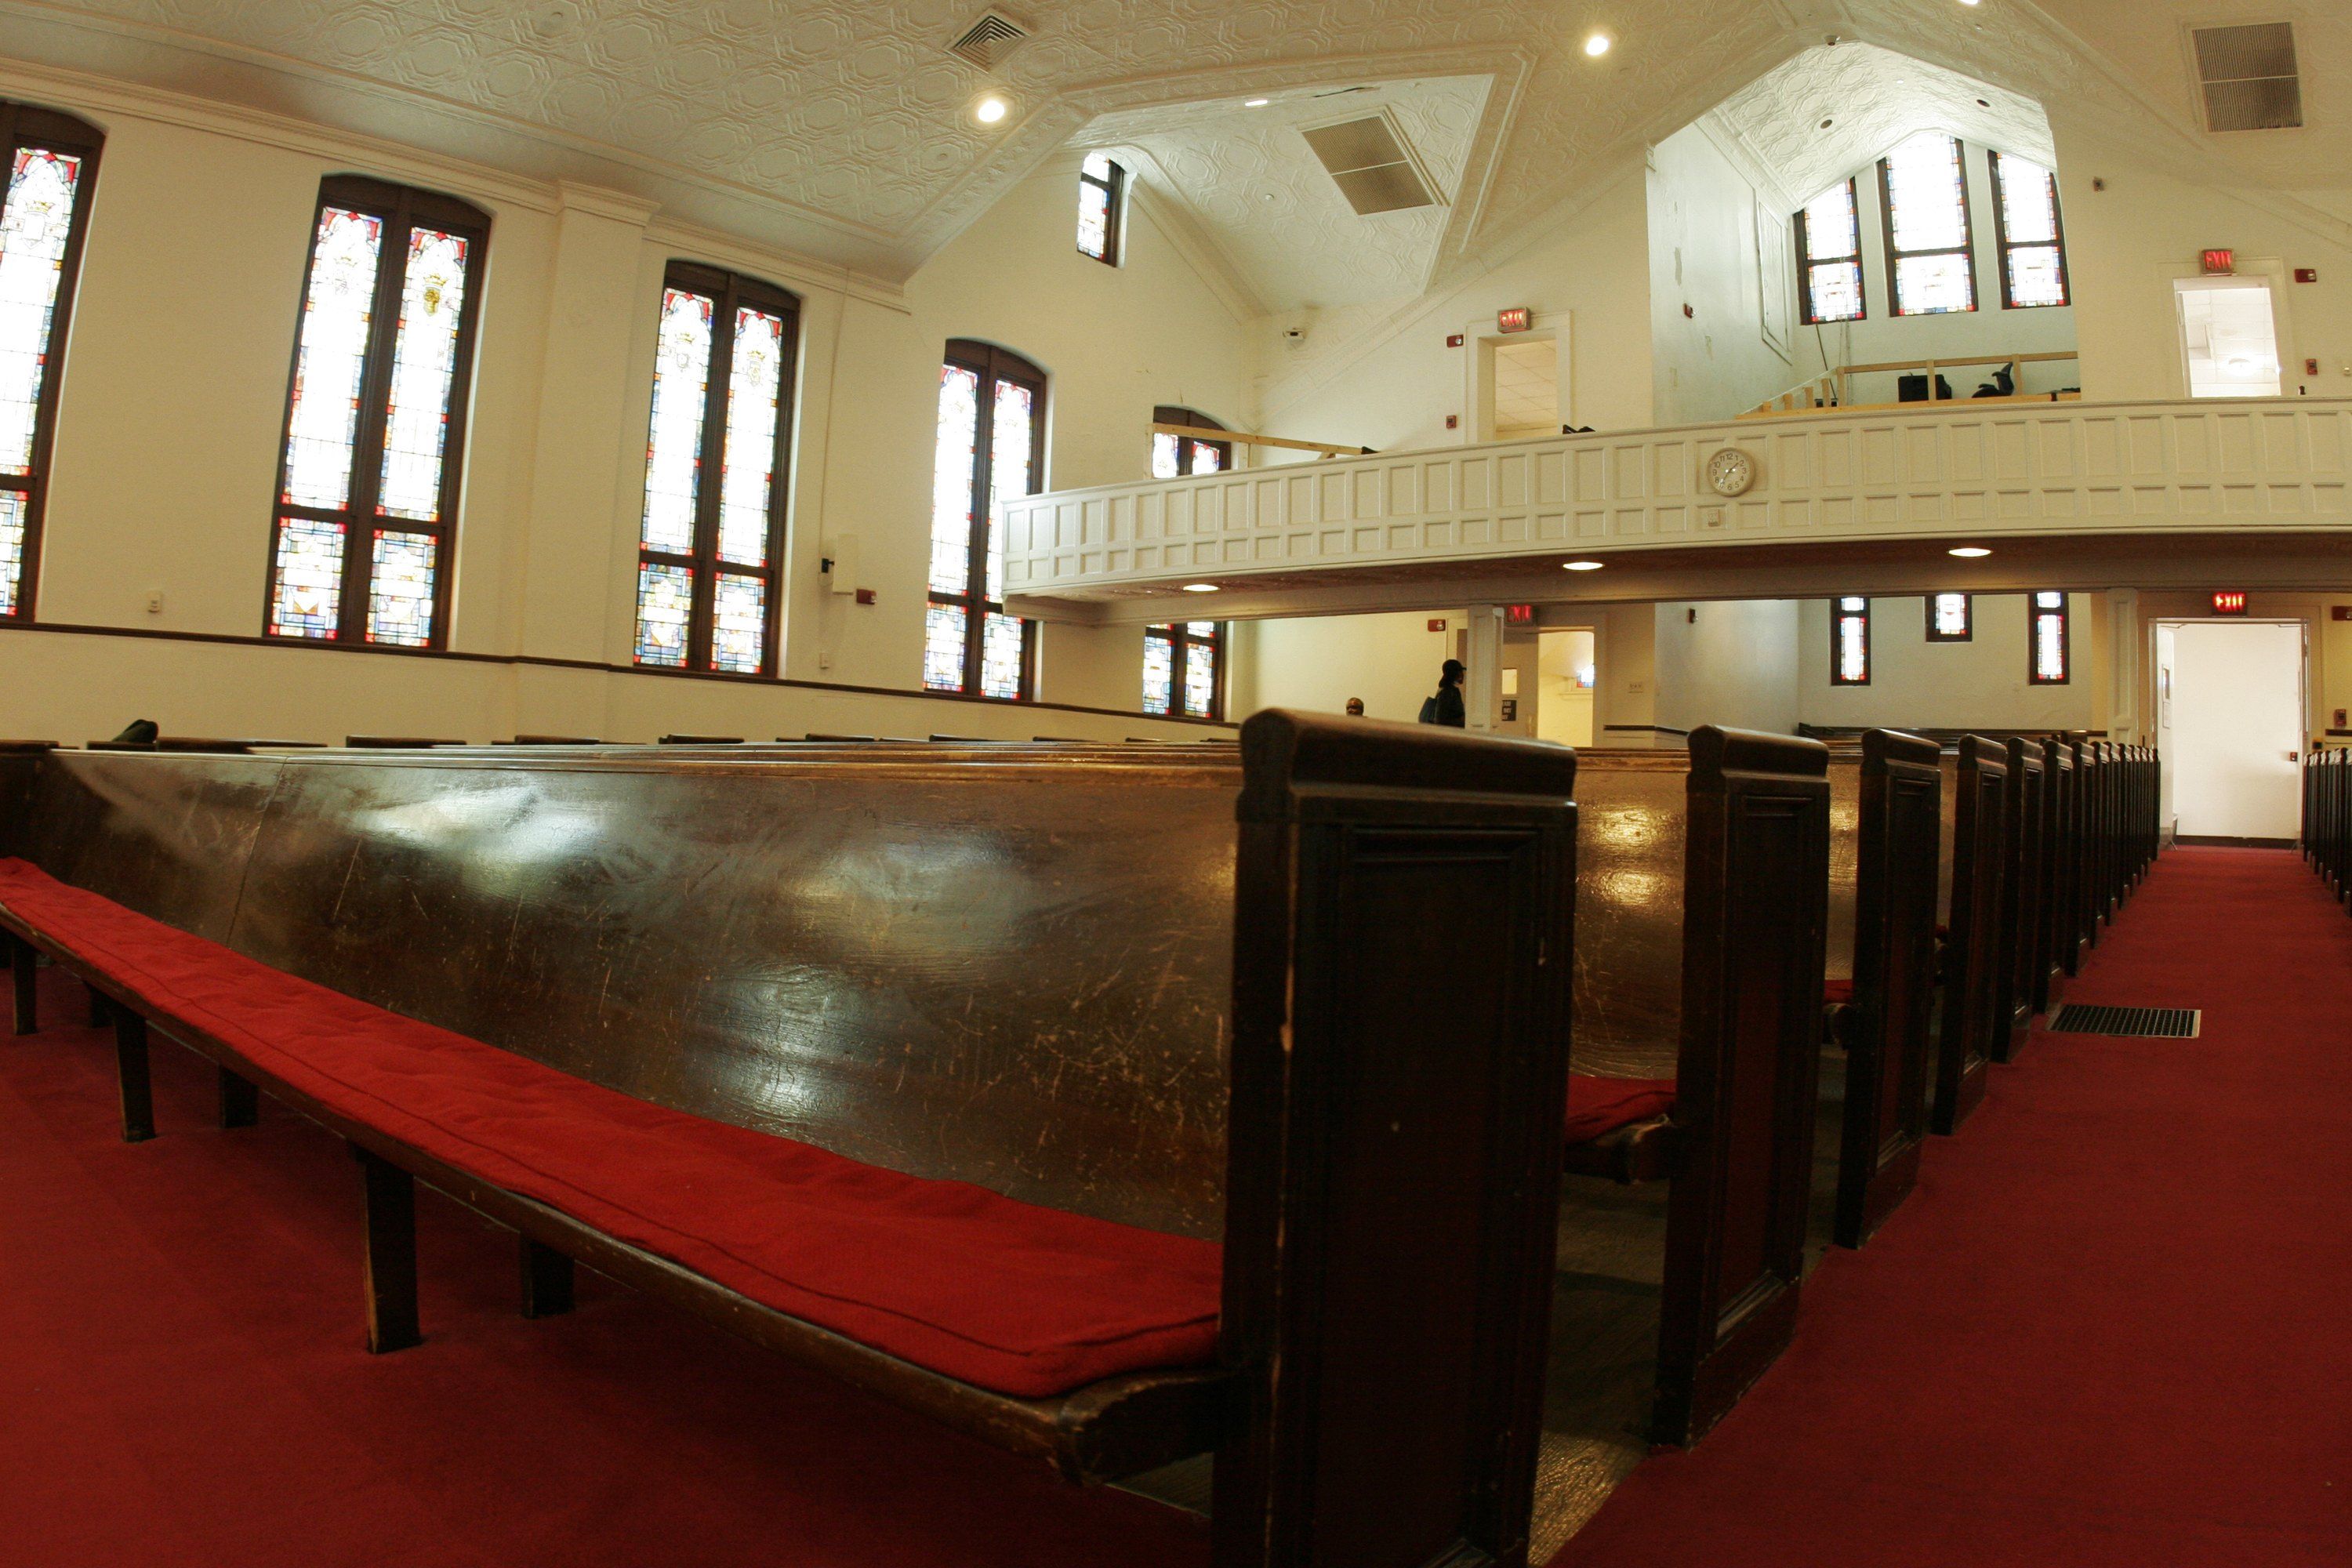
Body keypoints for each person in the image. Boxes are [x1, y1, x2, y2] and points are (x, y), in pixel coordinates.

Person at [1417, 659, 1466, 728]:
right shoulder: (1448, 692)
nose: (1463, 674)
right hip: (1450, 733)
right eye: (1460, 672)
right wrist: (1462, 720)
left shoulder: (1448, 690)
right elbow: (1440, 720)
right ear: (1456, 673)